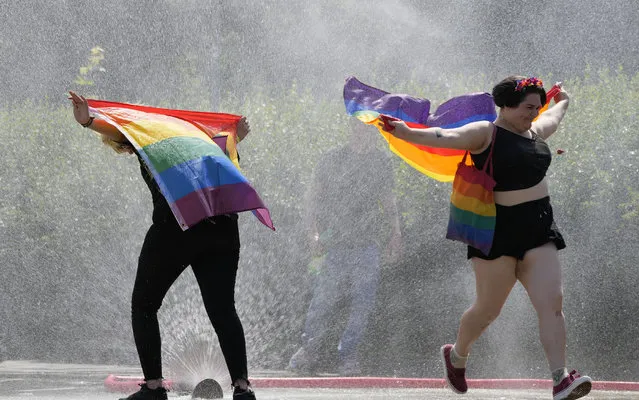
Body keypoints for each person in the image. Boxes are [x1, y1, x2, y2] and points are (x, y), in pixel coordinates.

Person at [386, 77, 592, 400]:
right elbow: (445, 136)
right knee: (487, 310)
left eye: (537, 107)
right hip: (497, 236)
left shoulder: (535, 131)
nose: (534, 113)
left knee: (552, 304)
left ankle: (560, 379)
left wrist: (563, 98)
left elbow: (555, 115)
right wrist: (406, 132)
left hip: (539, 231)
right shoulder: (486, 133)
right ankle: (457, 356)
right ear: (507, 105)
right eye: (528, 108)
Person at [68, 91, 257, 400]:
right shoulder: (194, 135)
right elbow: (218, 158)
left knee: (143, 304)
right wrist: (235, 137)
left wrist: (89, 121)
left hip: (177, 226)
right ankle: (242, 388)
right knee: (223, 309)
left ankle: (153, 389)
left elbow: (123, 130)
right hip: (221, 227)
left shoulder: (150, 136)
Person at [288, 121, 402, 376]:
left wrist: (396, 231)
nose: (366, 133)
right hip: (335, 244)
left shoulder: (381, 162)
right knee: (323, 300)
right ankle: (309, 350)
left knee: (363, 304)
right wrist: (312, 233)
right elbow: (312, 198)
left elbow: (388, 199)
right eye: (361, 127)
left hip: (367, 244)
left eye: (370, 129)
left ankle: (348, 356)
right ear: (352, 128)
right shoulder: (332, 159)